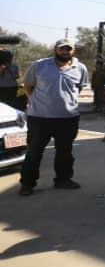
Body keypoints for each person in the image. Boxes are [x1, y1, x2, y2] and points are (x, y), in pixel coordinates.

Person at [19, 39, 89, 196]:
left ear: (73, 51)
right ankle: (27, 184)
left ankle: (63, 180)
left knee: (65, 152)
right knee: (34, 152)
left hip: (68, 119)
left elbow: (78, 89)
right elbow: (27, 86)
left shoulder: (80, 68)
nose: (65, 52)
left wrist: (66, 103)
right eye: (61, 49)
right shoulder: (39, 65)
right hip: (39, 118)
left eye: (68, 49)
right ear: (55, 49)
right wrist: (33, 101)